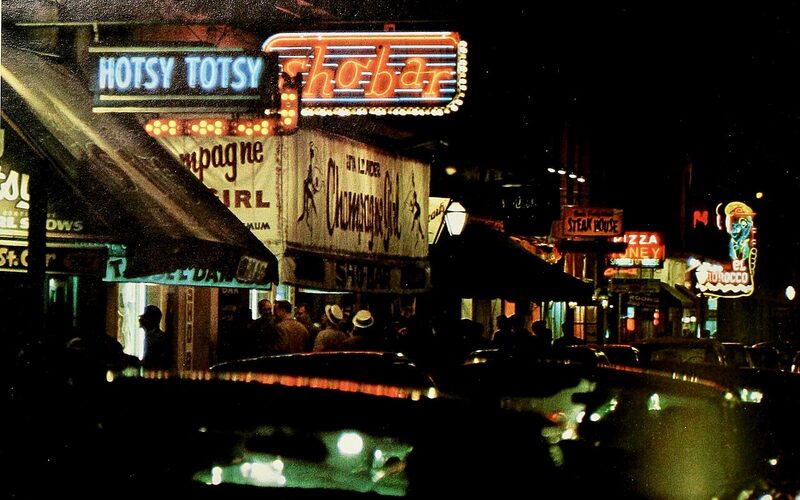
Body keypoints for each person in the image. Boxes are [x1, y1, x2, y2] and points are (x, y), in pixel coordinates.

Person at [140, 305, 171, 370]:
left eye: (145, 316)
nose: (141, 318)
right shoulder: (153, 336)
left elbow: (150, 361)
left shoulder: (159, 338)